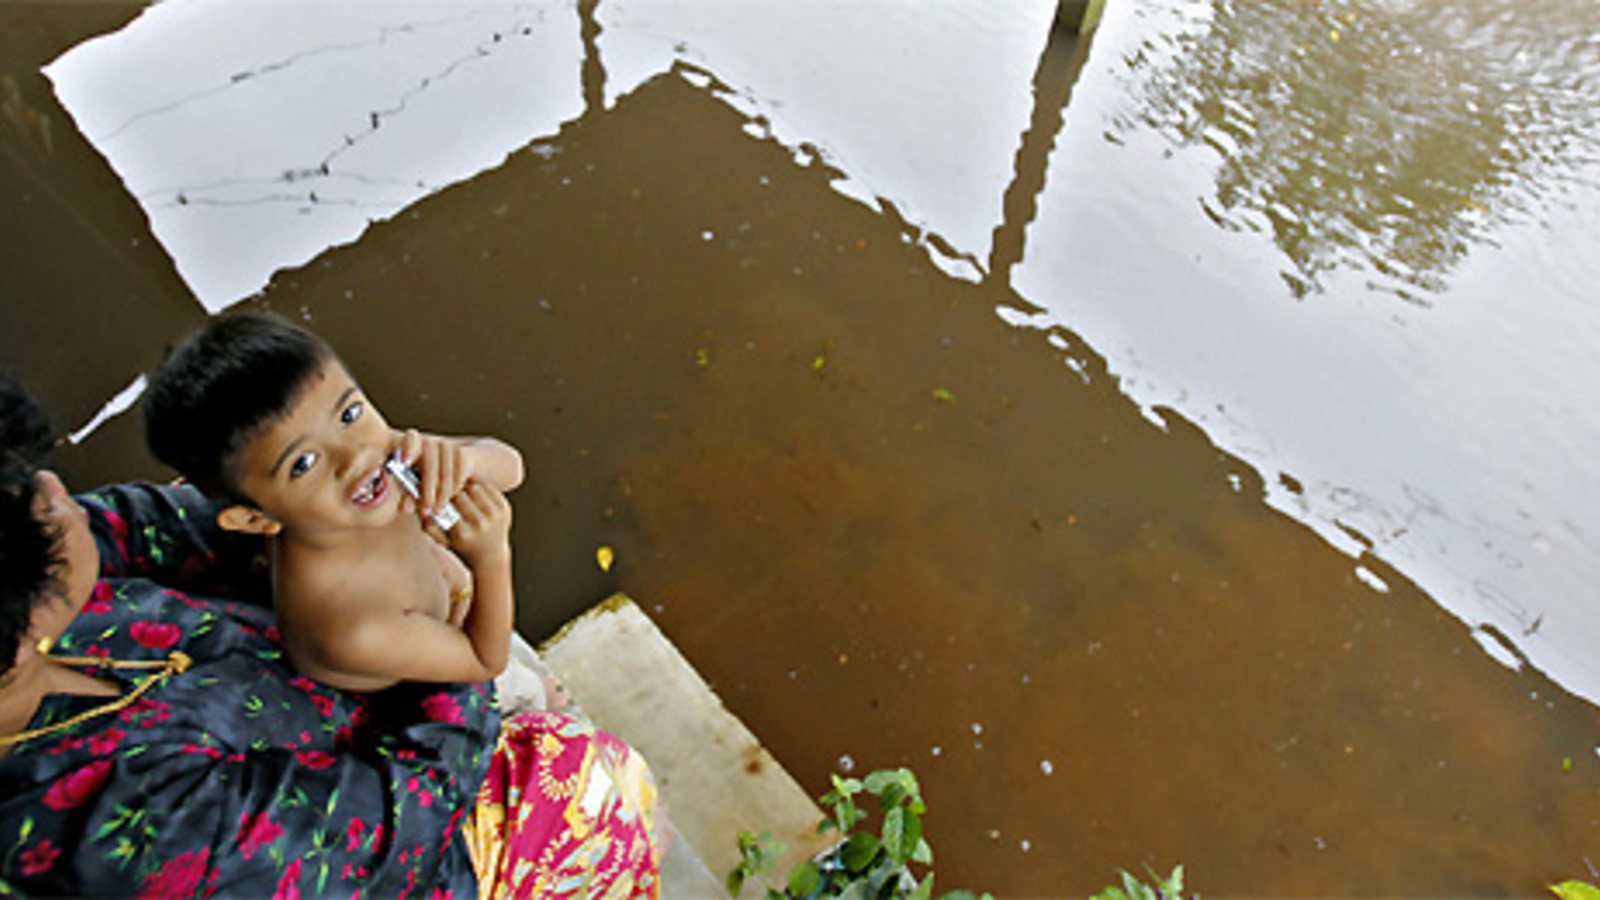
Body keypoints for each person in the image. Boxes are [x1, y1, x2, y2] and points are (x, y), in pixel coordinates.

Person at [0, 372, 662, 897]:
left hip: (355, 680)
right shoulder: (131, 833)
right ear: (23, 631)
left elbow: (157, 521)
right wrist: (446, 598)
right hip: (394, 839)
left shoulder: (54, 581)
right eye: (40, 510)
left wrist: (333, 527)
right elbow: (411, 819)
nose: (59, 490)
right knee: (605, 784)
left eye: (350, 412)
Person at [143, 311, 524, 693]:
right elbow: (483, 660)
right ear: (255, 520)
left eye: (349, 412)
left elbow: (512, 468)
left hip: (429, 599)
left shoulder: (376, 455)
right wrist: (491, 558)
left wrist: (468, 461)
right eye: (304, 463)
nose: (355, 456)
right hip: (407, 670)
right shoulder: (348, 624)